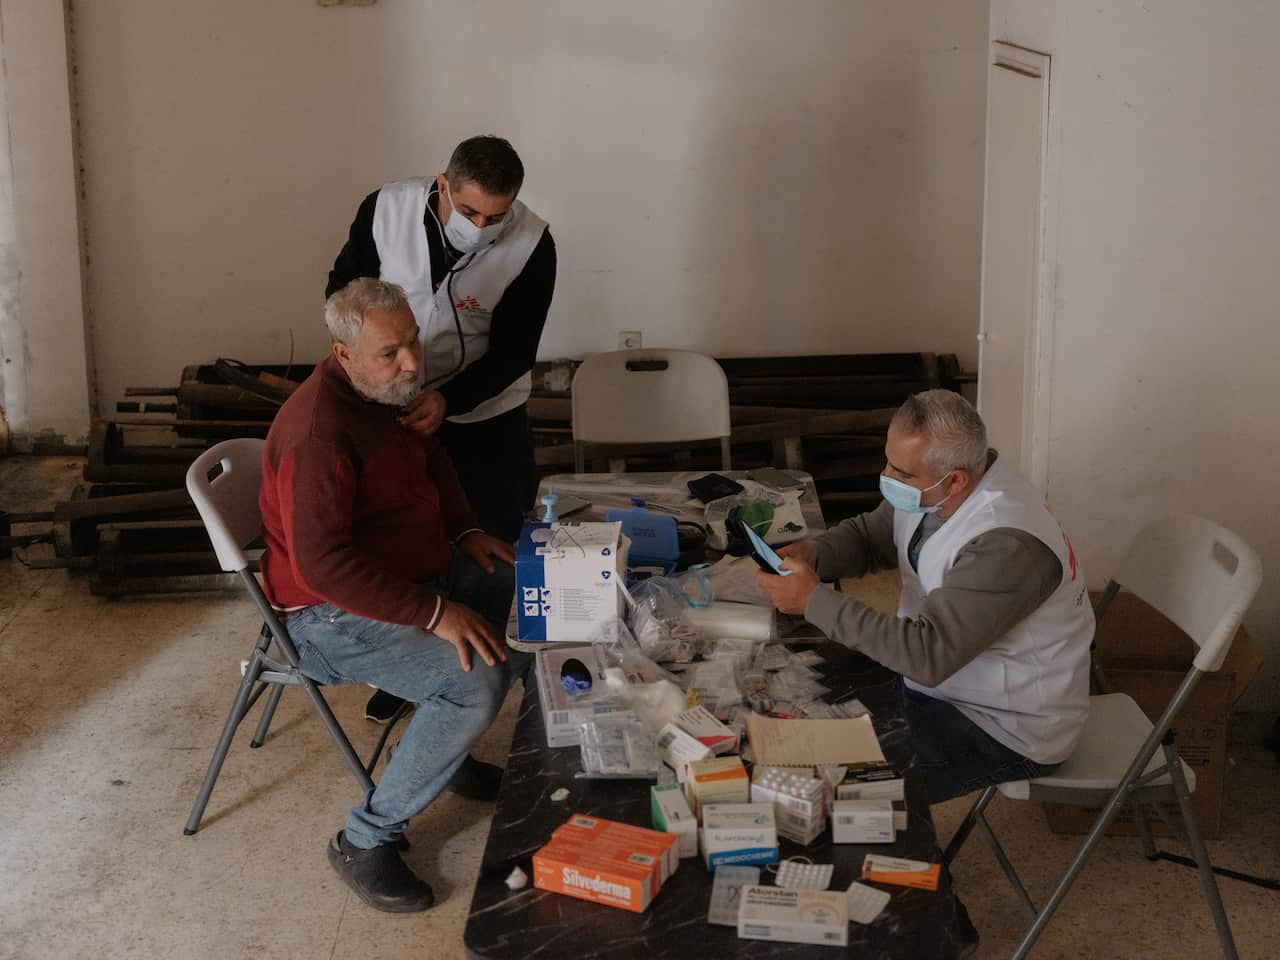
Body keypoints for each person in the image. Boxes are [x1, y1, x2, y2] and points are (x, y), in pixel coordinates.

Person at [259, 278, 528, 912]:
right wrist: (434, 613)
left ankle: (441, 745)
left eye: (413, 342)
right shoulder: (319, 432)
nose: (411, 363)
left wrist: (466, 531)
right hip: (327, 618)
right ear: (343, 353)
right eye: (391, 352)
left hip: (411, 575)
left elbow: (431, 462)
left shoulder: (383, 391)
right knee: (475, 681)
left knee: (534, 598)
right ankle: (364, 840)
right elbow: (321, 566)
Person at [756, 390, 1094, 804]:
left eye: (901, 472)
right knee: (785, 698)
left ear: (955, 479)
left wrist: (813, 601)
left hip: (1002, 724)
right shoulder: (936, 488)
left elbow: (927, 654)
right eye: (888, 461)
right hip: (942, 681)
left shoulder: (1007, 544)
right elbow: (872, 535)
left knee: (830, 788)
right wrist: (816, 553)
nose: (887, 477)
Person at [327, 135, 554, 723]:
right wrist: (377, 367)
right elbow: (343, 291)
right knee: (409, 541)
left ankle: (479, 682)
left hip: (485, 413)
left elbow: (514, 352)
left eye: (496, 216)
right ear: (443, 183)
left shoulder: (534, 243)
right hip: (394, 405)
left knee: (489, 543)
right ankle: (414, 676)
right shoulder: (385, 210)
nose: (482, 226)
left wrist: (449, 400)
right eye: (471, 210)